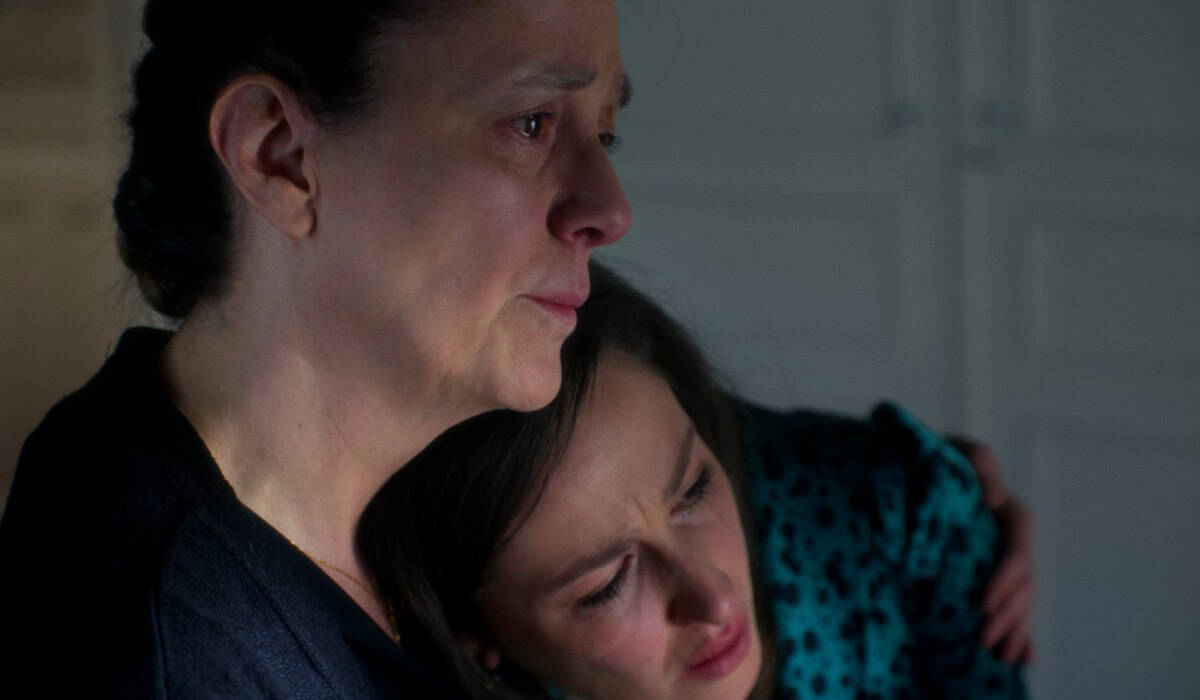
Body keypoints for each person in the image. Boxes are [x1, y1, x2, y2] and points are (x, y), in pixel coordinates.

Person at [0, 0, 631, 695]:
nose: (610, 210)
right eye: (532, 123)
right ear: (280, 155)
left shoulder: (425, 520)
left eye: (605, 134)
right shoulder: (176, 654)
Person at [358, 262, 1031, 698]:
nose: (712, 598)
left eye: (695, 489)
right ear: (477, 635)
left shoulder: (899, 506)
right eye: (608, 585)